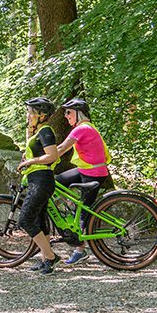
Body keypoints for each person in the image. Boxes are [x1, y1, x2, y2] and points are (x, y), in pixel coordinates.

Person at [55, 98, 111, 265]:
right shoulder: (85, 128)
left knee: (84, 212)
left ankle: (80, 250)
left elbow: (61, 149)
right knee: (55, 182)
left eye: (69, 112)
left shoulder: (82, 129)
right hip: (85, 170)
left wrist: (38, 160)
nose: (66, 116)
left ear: (78, 113)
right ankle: (70, 205)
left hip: (93, 173)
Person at [17, 97, 61, 275]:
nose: (27, 115)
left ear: (41, 115)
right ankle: (45, 260)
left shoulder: (45, 131)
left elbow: (52, 155)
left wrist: (31, 161)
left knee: (25, 220)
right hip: (37, 179)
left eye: (30, 112)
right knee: (40, 221)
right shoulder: (38, 132)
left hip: (42, 180)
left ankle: (50, 257)